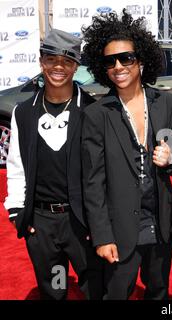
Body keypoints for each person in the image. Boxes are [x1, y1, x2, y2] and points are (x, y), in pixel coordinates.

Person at [81, 10, 172, 300]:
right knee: (116, 293)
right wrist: (102, 236)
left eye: (126, 58)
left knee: (158, 291)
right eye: (110, 61)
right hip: (119, 226)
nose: (118, 66)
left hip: (160, 221)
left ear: (142, 61)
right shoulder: (96, 114)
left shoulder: (167, 103)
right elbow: (93, 182)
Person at [4, 29, 103, 300]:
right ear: (41, 61)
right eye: (51, 59)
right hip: (42, 225)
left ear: (76, 66)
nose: (58, 67)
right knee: (55, 290)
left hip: (82, 222)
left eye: (67, 61)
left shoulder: (93, 111)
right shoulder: (23, 112)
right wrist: (17, 211)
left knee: (96, 290)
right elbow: (16, 165)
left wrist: (98, 221)